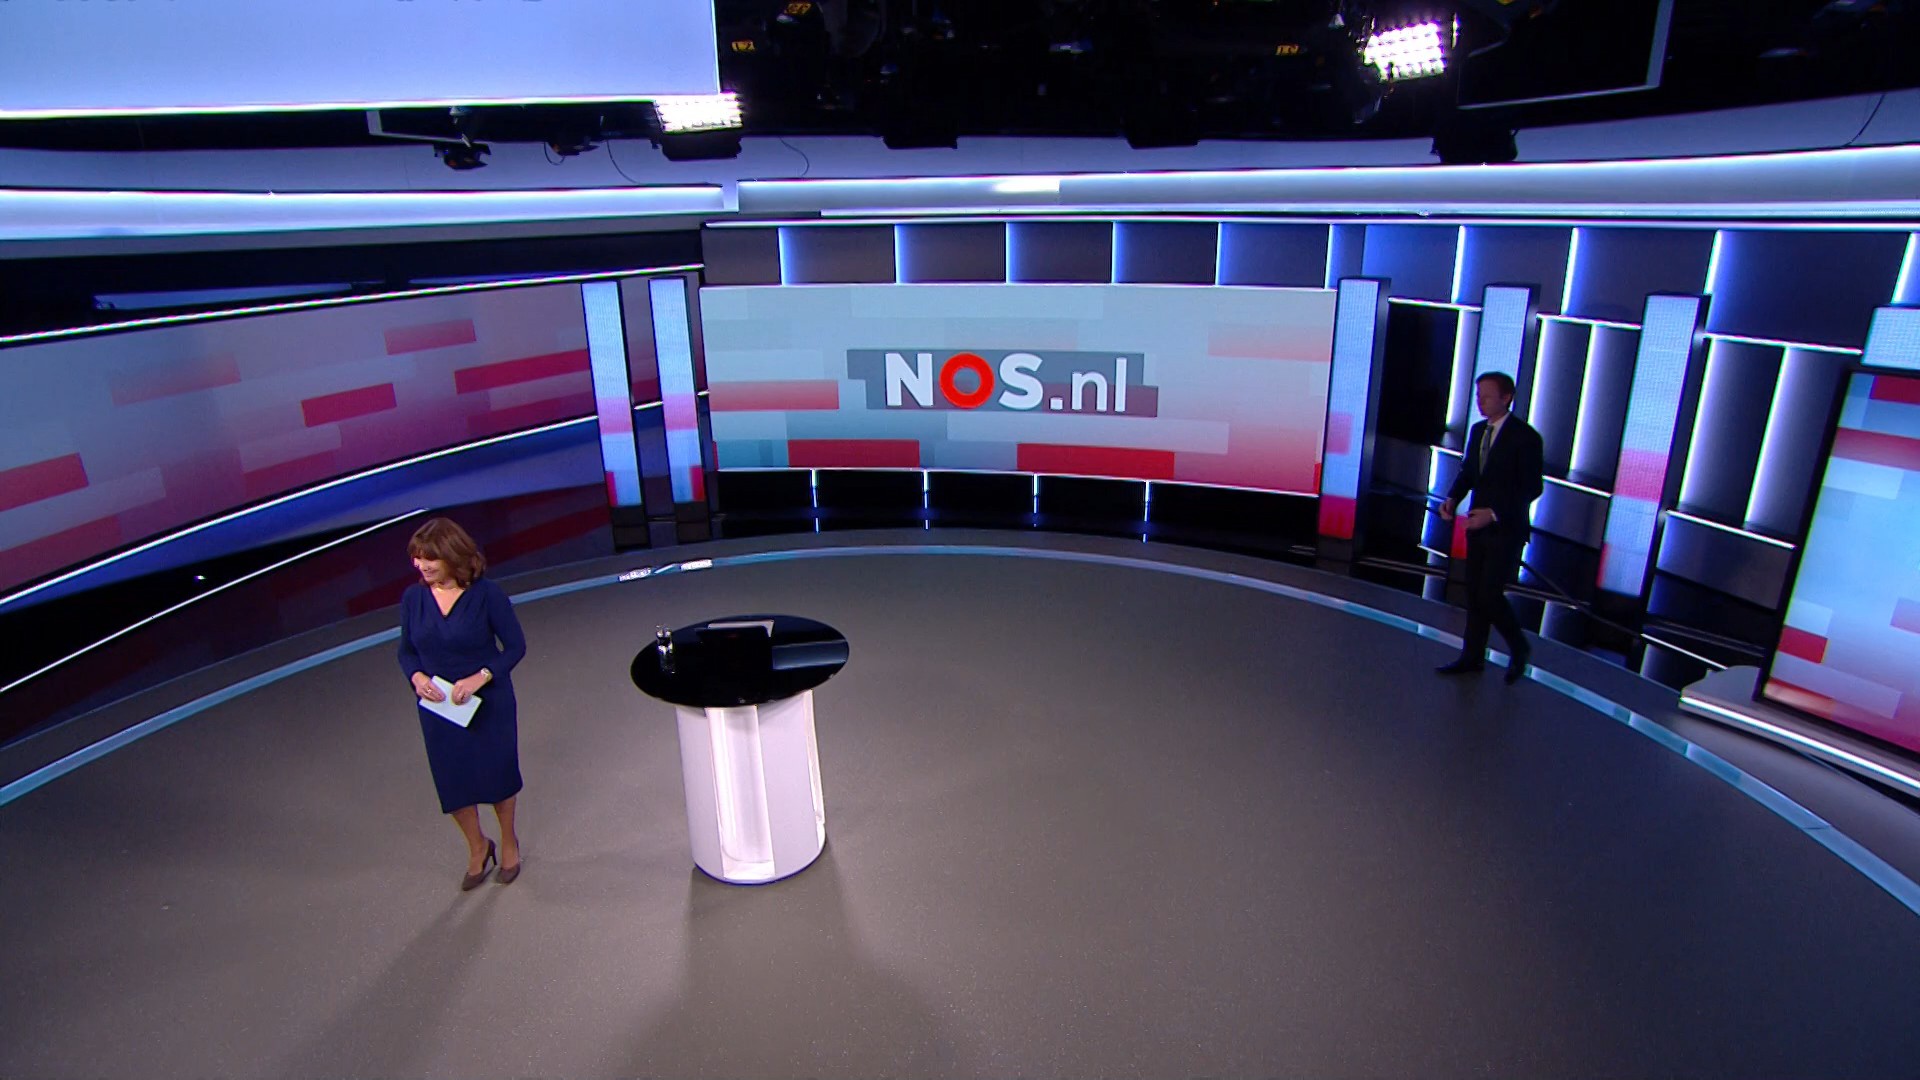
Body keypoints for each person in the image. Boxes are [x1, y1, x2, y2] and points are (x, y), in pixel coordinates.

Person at [397, 518, 528, 889]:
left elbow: (515, 647)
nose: (421, 565)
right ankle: (477, 846)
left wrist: (479, 678)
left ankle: (508, 841)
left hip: (488, 703)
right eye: (417, 558)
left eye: (430, 559)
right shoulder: (413, 599)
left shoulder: (488, 595)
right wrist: (417, 678)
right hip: (440, 709)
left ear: (453, 556)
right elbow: (406, 651)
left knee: (498, 776)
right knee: (453, 782)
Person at [1436, 372, 1544, 685]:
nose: (1480, 402)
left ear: (1506, 398)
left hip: (1505, 529)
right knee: (1474, 593)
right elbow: (1470, 472)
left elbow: (1531, 488)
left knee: (1489, 594)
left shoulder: (1526, 437)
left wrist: (1494, 514)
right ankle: (1472, 657)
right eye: (1478, 396)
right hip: (1477, 527)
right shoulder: (1478, 431)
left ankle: (1519, 647)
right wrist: (1452, 498)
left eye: (1486, 396)